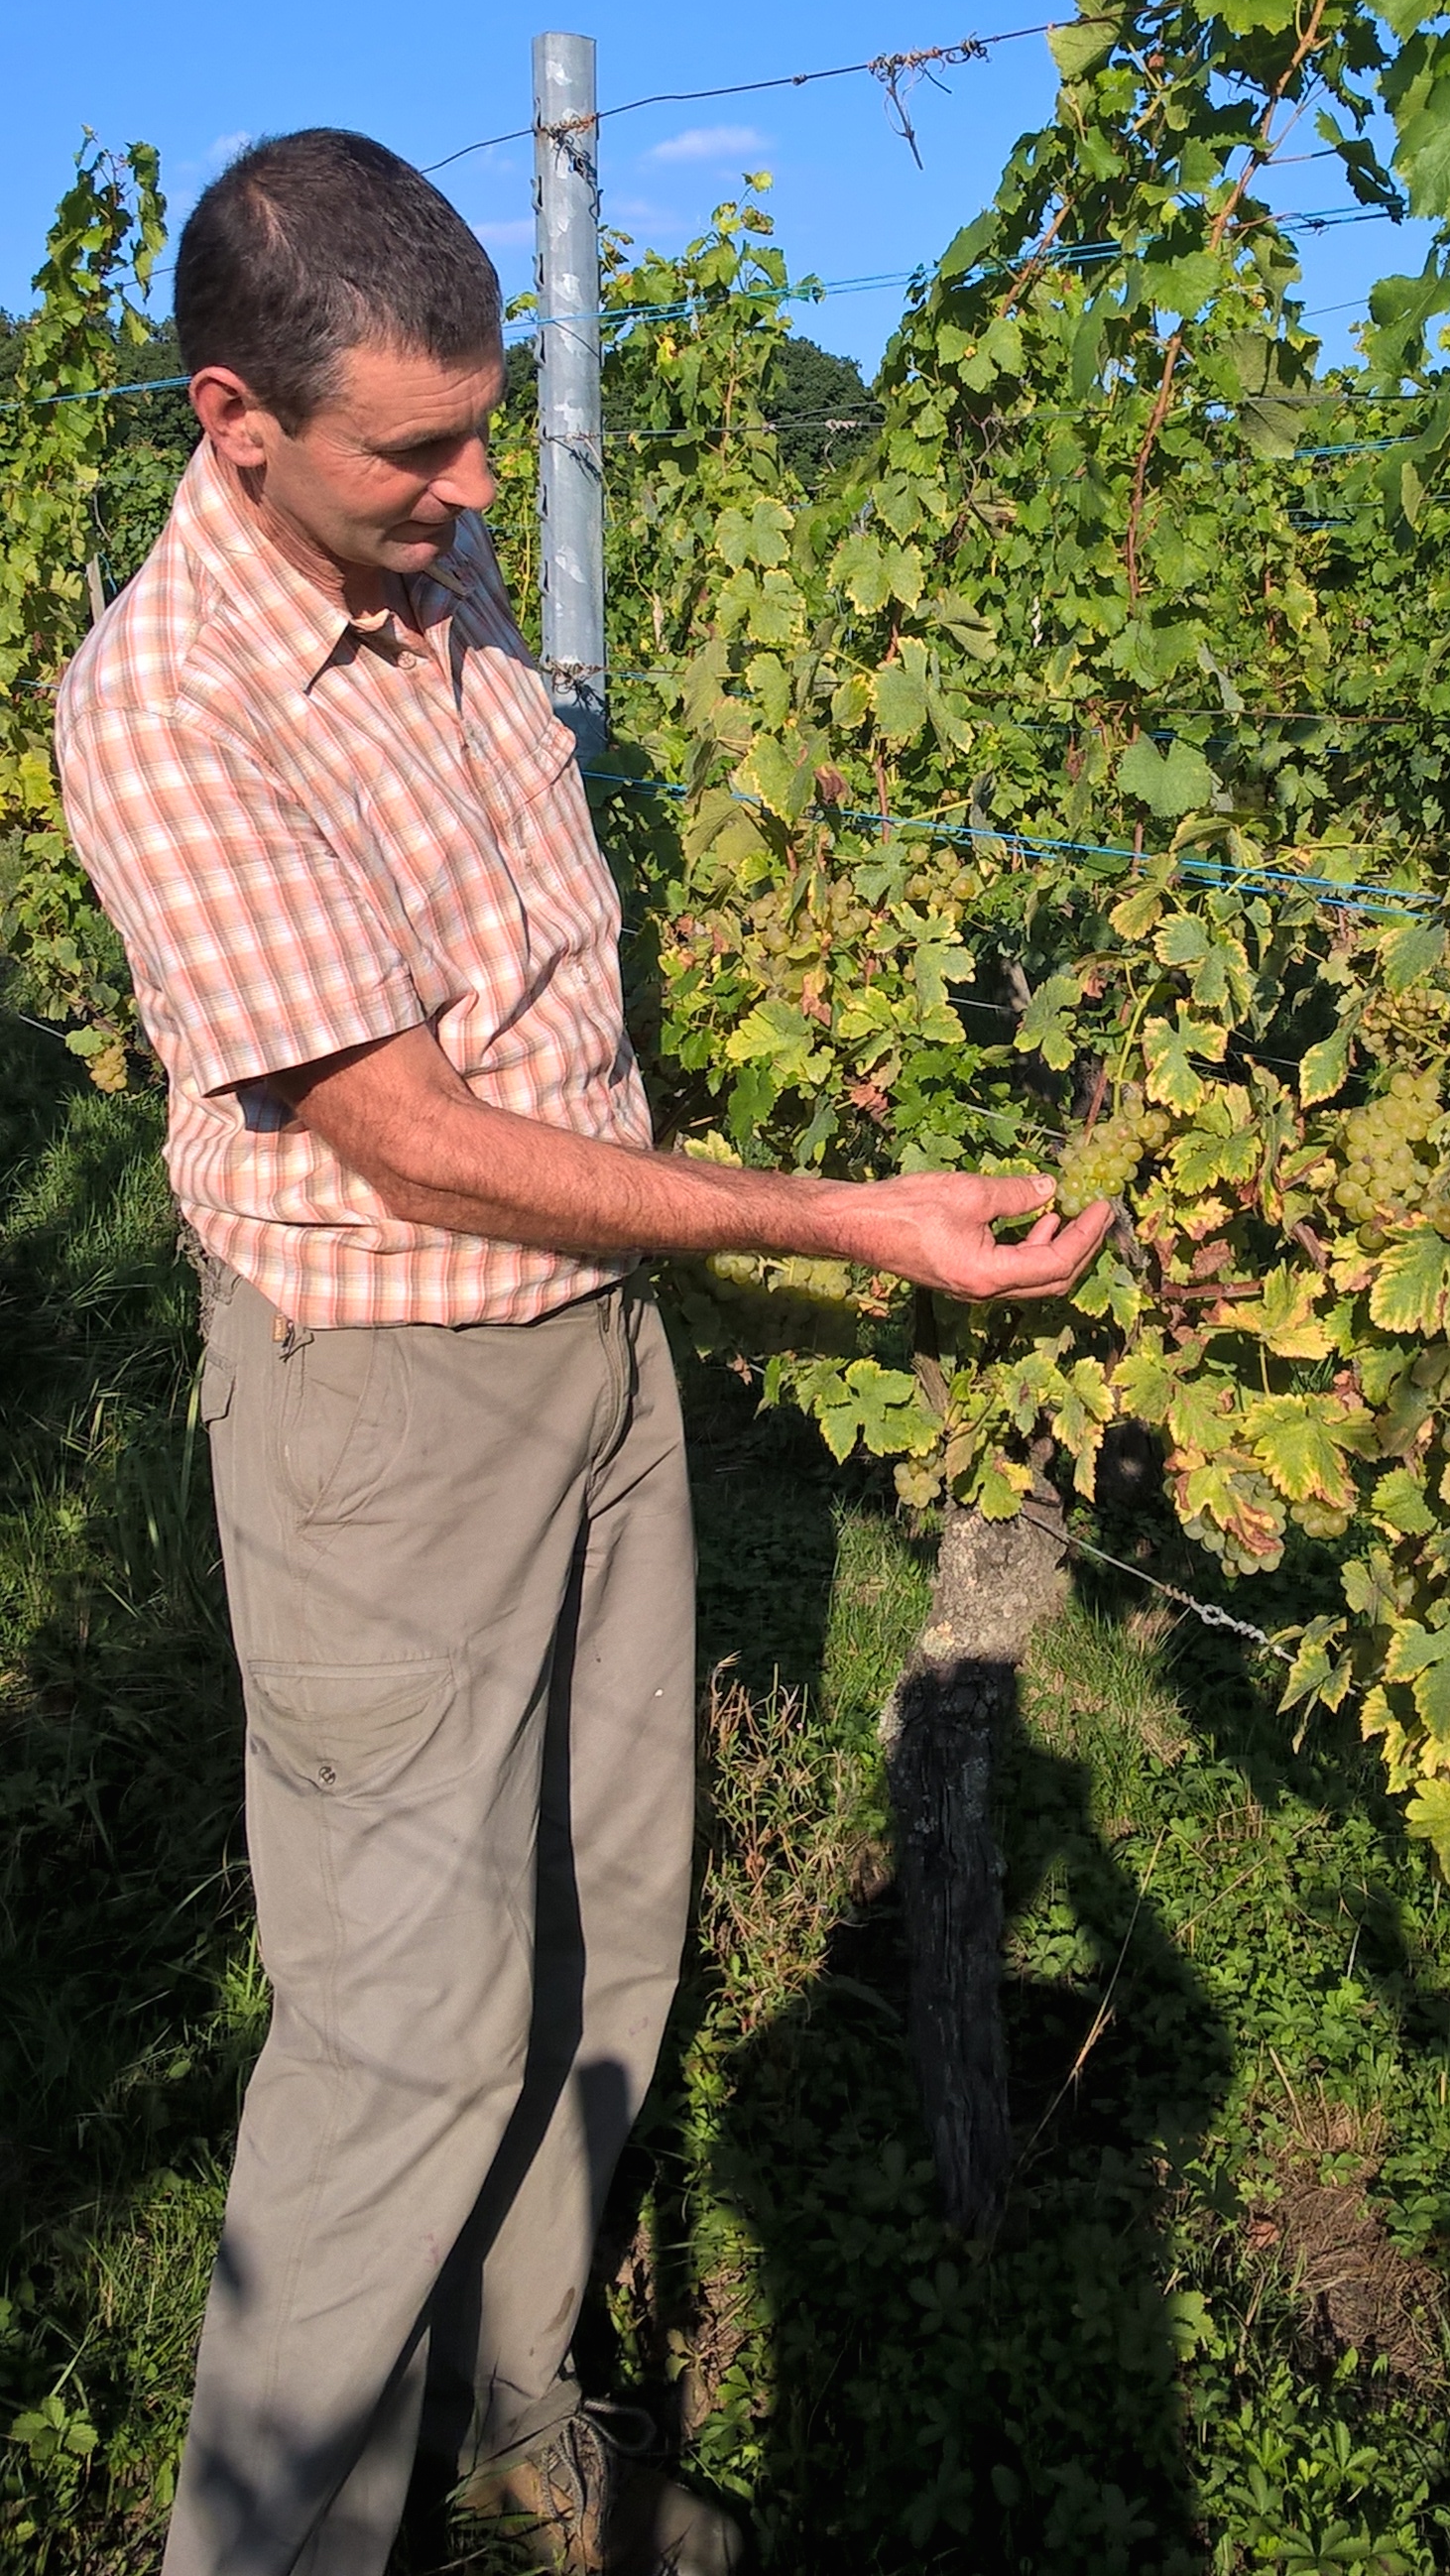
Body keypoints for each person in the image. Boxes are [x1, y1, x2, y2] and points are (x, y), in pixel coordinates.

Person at [54, 129, 1109, 2576]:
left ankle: (510, 2415)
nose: (464, 489)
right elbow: (412, 1138)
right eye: (408, 449)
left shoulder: (433, 563)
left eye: (479, 429)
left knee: (609, 1921)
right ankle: (278, 2534)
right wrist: (835, 1220)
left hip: (596, 1370)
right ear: (234, 420)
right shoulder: (175, 704)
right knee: (401, 2028)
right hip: (384, 1416)